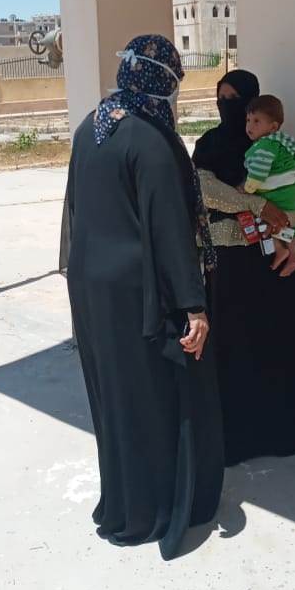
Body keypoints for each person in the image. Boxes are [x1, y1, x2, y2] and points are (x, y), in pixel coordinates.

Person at [61, 34, 223, 559]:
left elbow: (75, 212)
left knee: (117, 397)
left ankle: (125, 502)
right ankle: (154, 508)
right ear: (163, 82)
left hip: (93, 290)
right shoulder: (151, 140)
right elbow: (170, 231)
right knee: (153, 399)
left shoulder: (93, 126)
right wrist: (194, 306)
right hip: (139, 296)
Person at [193, 70, 295, 467]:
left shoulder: (271, 144)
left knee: (279, 343)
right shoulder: (210, 144)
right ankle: (239, 440)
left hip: (273, 263)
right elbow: (203, 190)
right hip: (231, 265)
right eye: (221, 98)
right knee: (235, 347)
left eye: (235, 99)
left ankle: (288, 431)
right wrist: (256, 205)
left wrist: (286, 224)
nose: (227, 106)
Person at [243, 93, 295, 274]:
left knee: (267, 220)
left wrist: (248, 189)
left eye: (257, 121)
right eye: (248, 120)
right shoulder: (284, 142)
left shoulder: (265, 146)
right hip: (291, 192)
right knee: (286, 224)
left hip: (277, 194)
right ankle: (291, 253)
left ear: (273, 127)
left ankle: (282, 250)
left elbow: (258, 172)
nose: (249, 126)